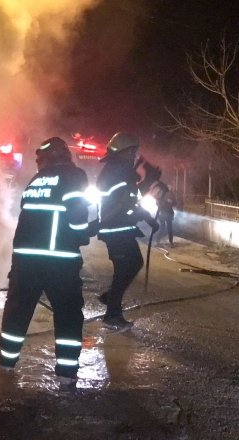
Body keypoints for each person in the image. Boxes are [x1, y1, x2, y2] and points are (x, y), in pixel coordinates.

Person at [0, 137, 97, 390]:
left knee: (17, 311)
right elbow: (76, 218)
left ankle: (6, 364)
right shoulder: (73, 176)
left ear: (44, 160)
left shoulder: (35, 181)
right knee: (67, 314)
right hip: (58, 261)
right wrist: (85, 232)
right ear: (65, 156)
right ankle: (66, 374)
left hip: (24, 260)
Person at [95, 132, 158, 332]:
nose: (135, 154)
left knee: (129, 266)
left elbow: (130, 200)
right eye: (133, 151)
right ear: (126, 151)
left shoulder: (117, 171)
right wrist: (148, 180)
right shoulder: (118, 172)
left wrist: (147, 217)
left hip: (119, 229)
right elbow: (126, 202)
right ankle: (112, 315)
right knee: (126, 268)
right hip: (116, 230)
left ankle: (111, 298)